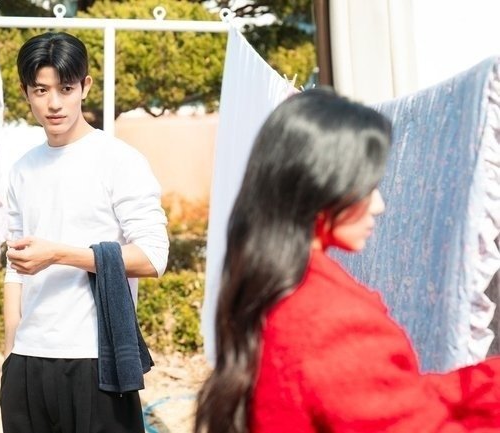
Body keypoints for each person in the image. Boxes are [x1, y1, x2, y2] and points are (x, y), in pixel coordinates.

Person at [194, 88, 500, 433]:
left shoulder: (269, 280)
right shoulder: (332, 321)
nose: (379, 205)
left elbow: (388, 394)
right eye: (366, 189)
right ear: (320, 187)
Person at [0, 32, 169, 433]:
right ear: (26, 92)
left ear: (85, 87)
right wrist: (10, 355)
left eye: (66, 88)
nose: (54, 103)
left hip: (96, 359)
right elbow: (14, 269)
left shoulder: (119, 161)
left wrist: (58, 254)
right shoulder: (22, 169)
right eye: (41, 90)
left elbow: (153, 257)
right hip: (27, 360)